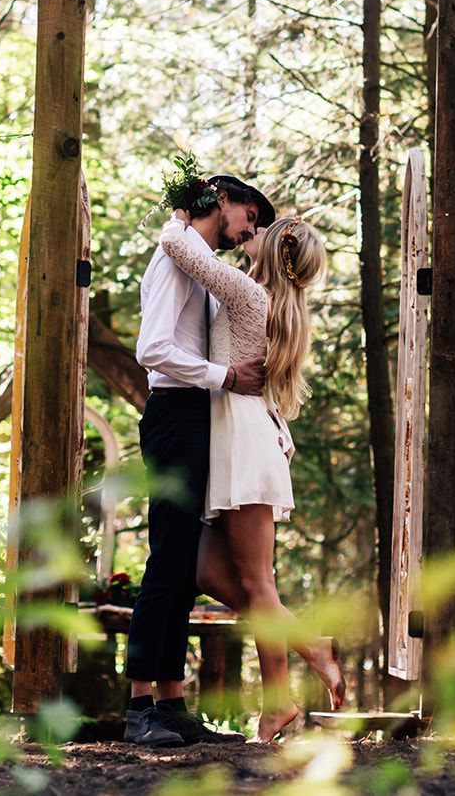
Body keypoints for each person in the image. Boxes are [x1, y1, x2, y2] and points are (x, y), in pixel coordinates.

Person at [157, 206, 346, 743]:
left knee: (258, 583)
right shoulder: (257, 298)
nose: (250, 233)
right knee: (208, 575)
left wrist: (180, 214)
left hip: (243, 445)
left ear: (277, 250)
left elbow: (181, 249)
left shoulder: (247, 292)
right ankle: (312, 647)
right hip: (237, 441)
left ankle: (277, 704)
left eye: (262, 231)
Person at [123, 174, 272, 748]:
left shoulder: (199, 262)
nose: (249, 230)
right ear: (223, 200)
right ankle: (139, 708)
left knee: (185, 563)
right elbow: (153, 349)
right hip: (175, 415)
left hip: (199, 418)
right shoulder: (172, 263)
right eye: (249, 216)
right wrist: (226, 377)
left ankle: (172, 702)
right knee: (166, 562)